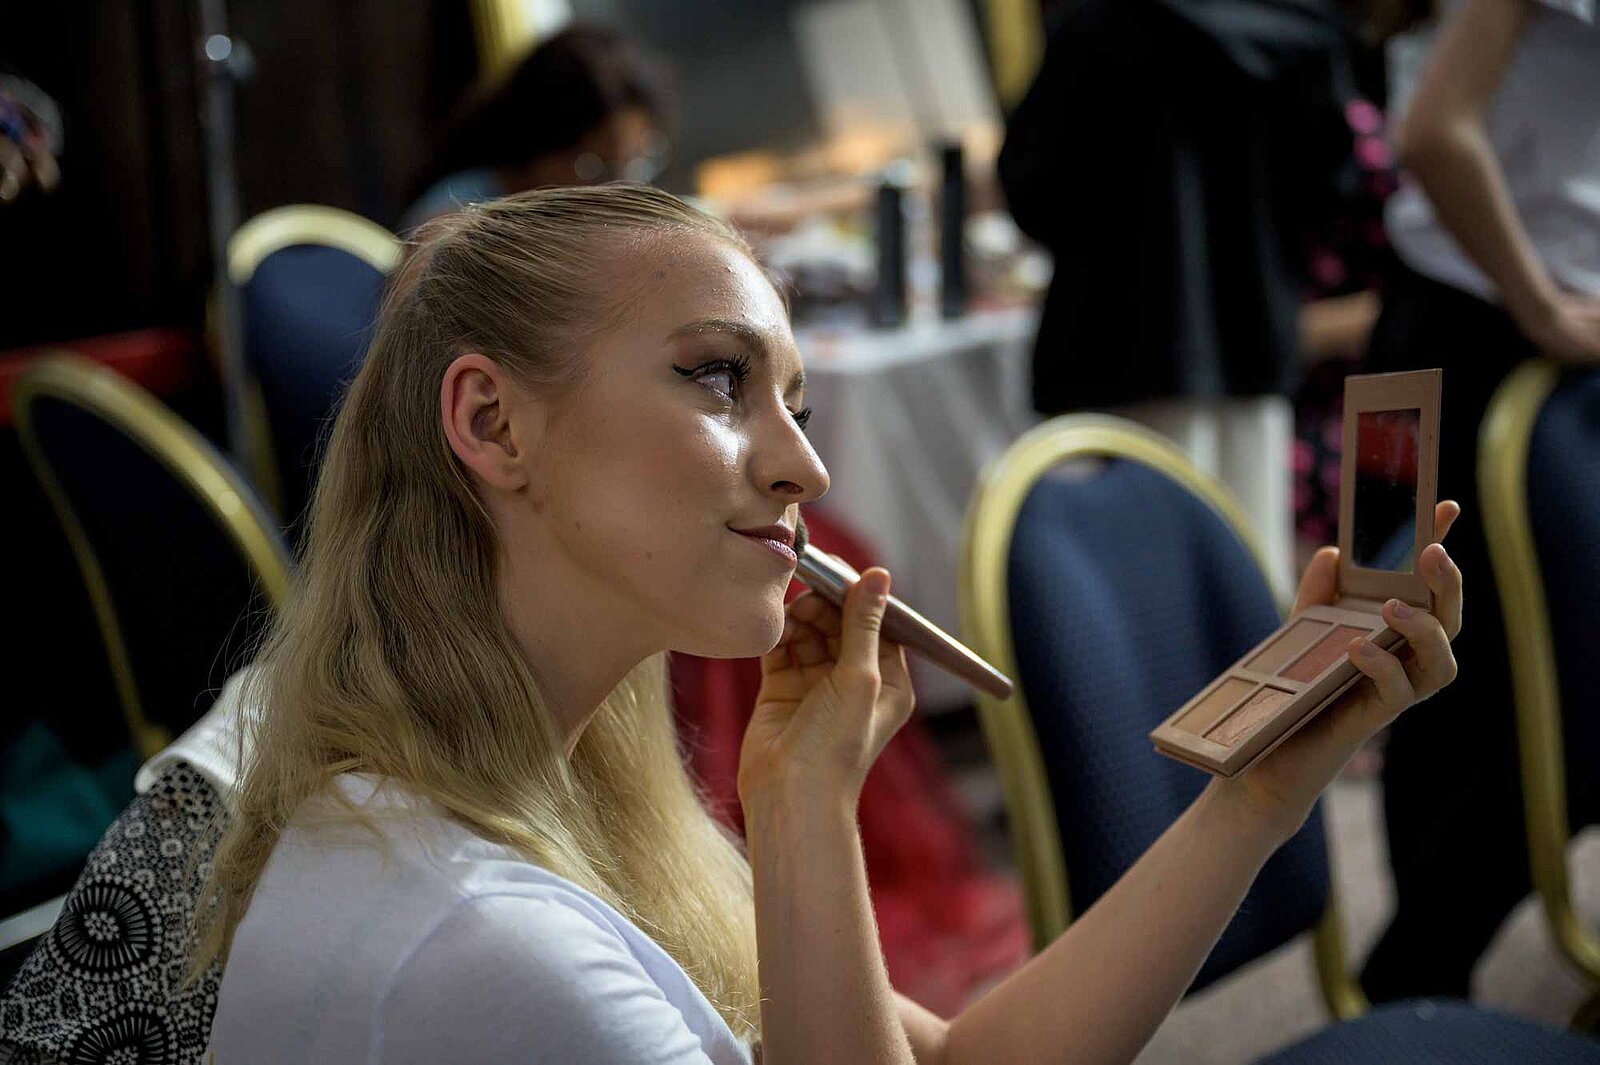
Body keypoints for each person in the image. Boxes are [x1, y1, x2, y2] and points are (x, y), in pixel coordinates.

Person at [197, 185, 1463, 1063]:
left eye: (794, 403)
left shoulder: (552, 787)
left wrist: (1257, 796)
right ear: (492, 423)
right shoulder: (497, 952)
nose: (804, 466)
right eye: (718, 377)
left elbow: (950, 1062)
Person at [1358, 0, 1600, 1002]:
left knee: (1493, 679)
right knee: (1434, 663)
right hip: (1467, 328)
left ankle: (1421, 971)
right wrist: (1541, 303)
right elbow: (1433, 132)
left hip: (1527, 327)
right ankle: (1415, 975)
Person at [398, 22, 671, 232]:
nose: (623, 192)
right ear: (535, 146)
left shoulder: (564, 220)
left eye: (640, 164)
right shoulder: (454, 228)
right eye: (596, 170)